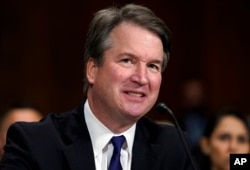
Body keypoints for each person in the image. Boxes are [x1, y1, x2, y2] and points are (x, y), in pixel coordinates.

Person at [0, 4, 197, 170]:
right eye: (127, 60)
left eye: (153, 66)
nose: (142, 78)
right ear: (93, 70)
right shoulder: (35, 143)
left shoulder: (175, 148)